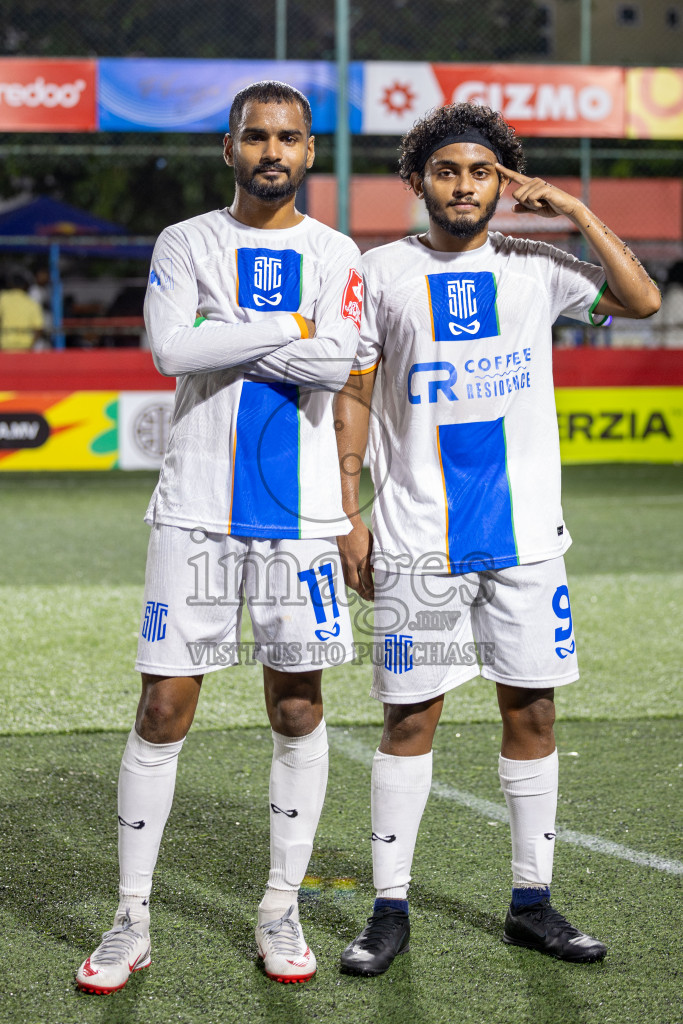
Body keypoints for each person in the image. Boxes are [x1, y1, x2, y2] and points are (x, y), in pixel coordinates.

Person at [334, 102, 660, 975]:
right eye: (447, 170)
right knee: (411, 718)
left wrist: (576, 211)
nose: (464, 185)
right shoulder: (379, 271)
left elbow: (642, 299)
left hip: (525, 540)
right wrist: (346, 511)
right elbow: (355, 394)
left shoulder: (535, 265)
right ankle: (387, 908)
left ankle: (532, 902)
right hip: (413, 539)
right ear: (418, 181)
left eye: (481, 171)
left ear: (503, 182)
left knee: (534, 709)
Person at [76, 80, 362, 993]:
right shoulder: (185, 241)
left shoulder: (335, 250)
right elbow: (169, 350)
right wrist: (291, 327)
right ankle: (131, 917)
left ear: (309, 152)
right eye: (254, 137)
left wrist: (224, 330)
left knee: (296, 708)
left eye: (288, 137)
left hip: (302, 520)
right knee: (163, 708)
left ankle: (280, 907)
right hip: (195, 509)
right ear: (228, 148)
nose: (271, 151)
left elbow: (342, 361)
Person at [0, 270, 45, 350]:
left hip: (5, 345)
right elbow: (39, 329)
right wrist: (31, 345)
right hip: (25, 346)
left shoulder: (3, 298)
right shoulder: (32, 303)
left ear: (11, 285)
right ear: (25, 286)